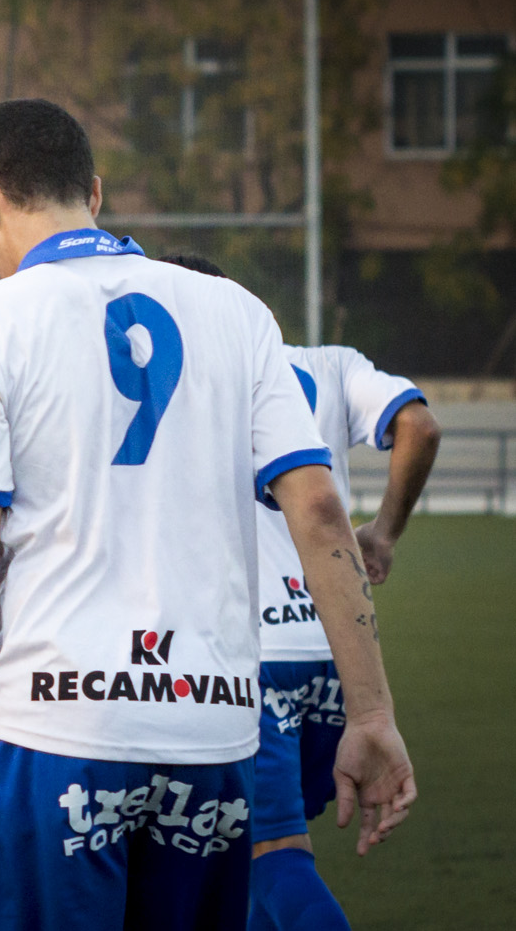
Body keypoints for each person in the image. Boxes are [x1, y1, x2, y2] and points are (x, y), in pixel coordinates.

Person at [0, 99, 417, 930]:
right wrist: (371, 714)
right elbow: (318, 513)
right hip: (212, 737)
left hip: (53, 730)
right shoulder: (238, 312)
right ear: (93, 193)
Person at [161, 253, 441, 931]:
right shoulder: (330, 366)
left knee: (272, 858)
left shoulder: (178, 379)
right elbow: (419, 424)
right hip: (335, 655)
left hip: (244, 660)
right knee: (257, 859)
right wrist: (383, 534)